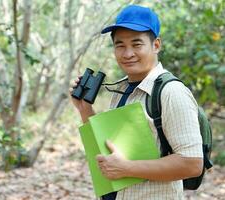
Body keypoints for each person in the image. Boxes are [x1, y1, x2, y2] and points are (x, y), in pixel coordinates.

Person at [69, 4, 203, 200]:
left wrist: (127, 168)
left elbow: (192, 163)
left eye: (136, 44)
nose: (127, 53)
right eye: (120, 45)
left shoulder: (171, 92)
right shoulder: (121, 89)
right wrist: (85, 110)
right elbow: (108, 149)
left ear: (156, 45)